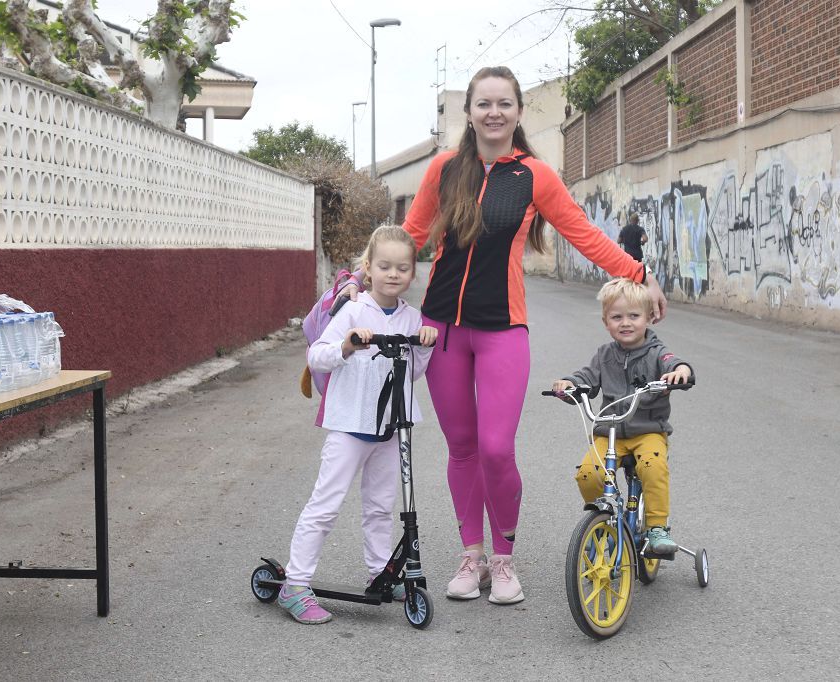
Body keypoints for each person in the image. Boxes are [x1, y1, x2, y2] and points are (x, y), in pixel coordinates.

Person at [344, 66, 668, 605]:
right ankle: (471, 557)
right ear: (468, 112)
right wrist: (358, 278)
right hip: (442, 330)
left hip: (502, 331)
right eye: (483, 103)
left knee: (496, 449)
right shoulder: (444, 170)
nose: (494, 112)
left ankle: (504, 558)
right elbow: (411, 236)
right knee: (462, 447)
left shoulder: (535, 175)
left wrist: (639, 273)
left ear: (517, 113)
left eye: (505, 104)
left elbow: (583, 234)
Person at [277, 226, 438, 624]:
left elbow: (413, 372)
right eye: (384, 266)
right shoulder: (352, 308)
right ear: (368, 267)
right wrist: (348, 344)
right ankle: (295, 584)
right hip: (350, 426)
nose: (393, 274)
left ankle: (380, 571)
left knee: (381, 507)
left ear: (411, 274)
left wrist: (424, 345)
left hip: (390, 428)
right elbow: (318, 355)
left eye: (402, 268)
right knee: (326, 504)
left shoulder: (411, 317)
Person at [552, 278, 692, 555]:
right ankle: (602, 518)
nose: (625, 323)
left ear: (649, 317)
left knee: (653, 467)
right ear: (606, 322)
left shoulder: (656, 352)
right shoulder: (604, 355)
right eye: (616, 317)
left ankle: (657, 528)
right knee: (588, 475)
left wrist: (680, 371)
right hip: (610, 432)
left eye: (634, 316)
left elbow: (674, 363)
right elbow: (586, 378)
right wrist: (569, 384)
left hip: (648, 430)